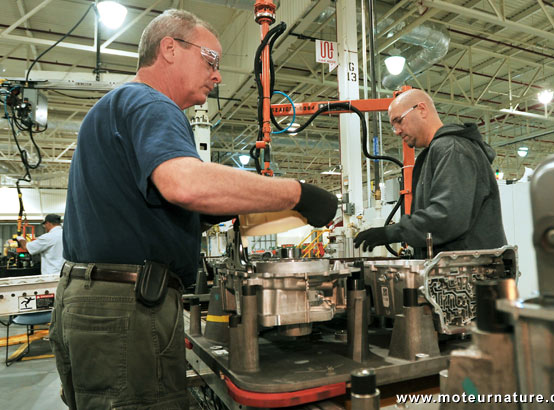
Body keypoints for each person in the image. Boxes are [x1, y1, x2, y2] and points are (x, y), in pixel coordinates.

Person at [49, 9, 337, 410]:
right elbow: (184, 182)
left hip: (88, 301)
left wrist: (222, 210)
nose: (218, 76)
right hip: (125, 308)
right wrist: (297, 194)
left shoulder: (112, 108)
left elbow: (141, 208)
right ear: (170, 48)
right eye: (211, 61)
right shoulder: (151, 103)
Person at [354, 89, 507, 257]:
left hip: (473, 274)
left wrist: (391, 233)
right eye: (393, 126)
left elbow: (447, 217)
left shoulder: (451, 149)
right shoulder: (436, 152)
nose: (397, 131)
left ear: (422, 109)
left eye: (399, 121)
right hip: (459, 270)